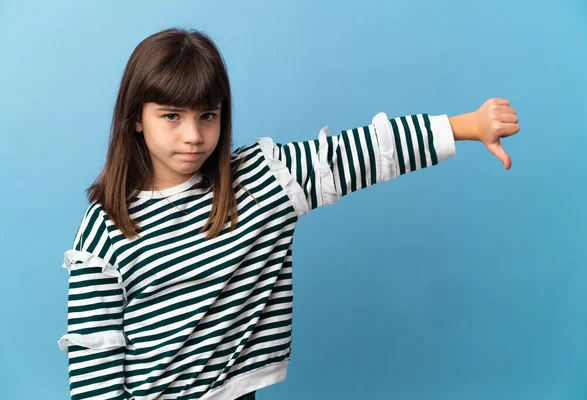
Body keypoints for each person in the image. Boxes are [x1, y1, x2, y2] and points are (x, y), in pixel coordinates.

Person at [57, 27, 520, 400]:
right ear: (136, 117)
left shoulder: (261, 181)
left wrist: (466, 126)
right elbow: (95, 370)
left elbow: (356, 153)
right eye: (172, 116)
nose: (194, 136)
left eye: (209, 116)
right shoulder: (106, 228)